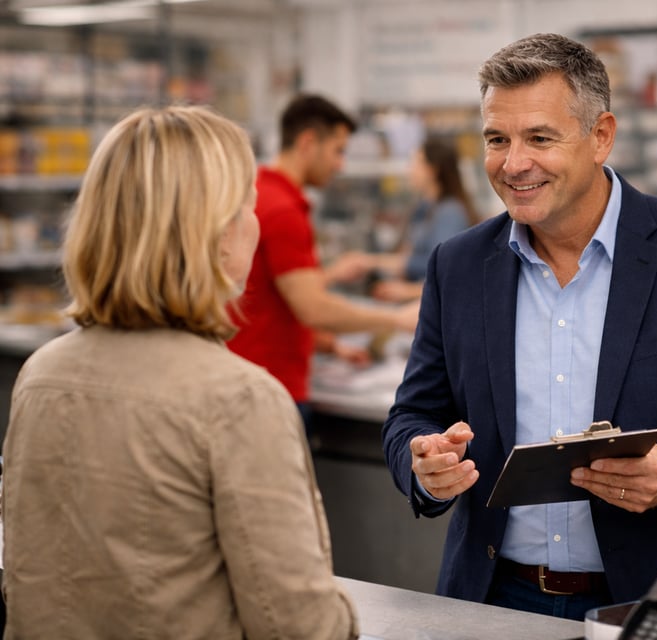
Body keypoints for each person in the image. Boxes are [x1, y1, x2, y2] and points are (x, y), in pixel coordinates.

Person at [381, 33, 657, 621]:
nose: (514, 164)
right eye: (497, 139)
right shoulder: (458, 265)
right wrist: (424, 466)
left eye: (539, 137)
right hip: (495, 598)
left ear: (601, 137)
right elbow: (412, 414)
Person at [1, 106, 358, 638]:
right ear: (216, 236)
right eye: (247, 206)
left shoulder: (40, 375)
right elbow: (299, 626)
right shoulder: (239, 399)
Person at [227, 94, 419, 421]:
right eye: (337, 151)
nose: (341, 164)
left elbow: (273, 297)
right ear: (308, 142)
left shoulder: (260, 192)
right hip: (272, 392)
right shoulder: (284, 210)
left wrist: (331, 346)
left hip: (251, 381)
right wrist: (397, 319)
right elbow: (312, 308)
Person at [327, 136, 483, 302]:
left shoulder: (449, 212)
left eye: (416, 163)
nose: (410, 170)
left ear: (432, 169)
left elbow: (440, 265)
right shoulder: (426, 207)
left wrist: (406, 289)